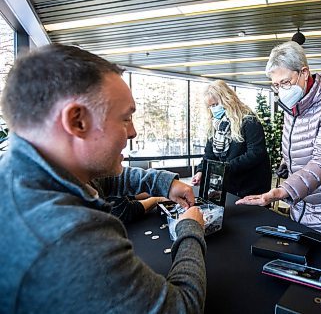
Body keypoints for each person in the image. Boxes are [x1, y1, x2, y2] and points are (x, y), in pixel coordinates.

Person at [0, 44, 207, 313]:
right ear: (77, 121)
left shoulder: (23, 175)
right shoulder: (67, 235)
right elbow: (182, 307)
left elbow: (105, 181)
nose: (133, 132)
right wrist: (190, 230)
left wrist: (162, 183)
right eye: (125, 118)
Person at [236, 41, 321, 252]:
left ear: (304, 72)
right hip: (306, 200)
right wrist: (287, 162)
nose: (281, 91)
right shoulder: (293, 106)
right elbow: (301, 143)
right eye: (276, 85)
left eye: (285, 82)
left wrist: (282, 191)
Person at [191, 80, 271, 197]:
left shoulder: (248, 120)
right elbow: (209, 155)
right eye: (210, 106)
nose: (213, 109)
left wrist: (224, 168)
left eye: (216, 104)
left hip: (252, 186)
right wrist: (201, 171)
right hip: (229, 186)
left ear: (227, 100)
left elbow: (256, 153)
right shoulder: (215, 126)